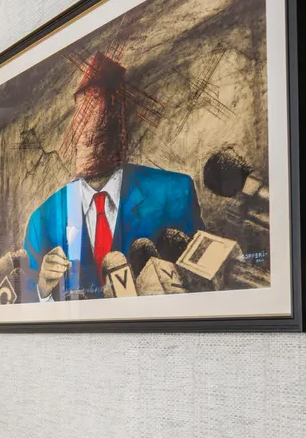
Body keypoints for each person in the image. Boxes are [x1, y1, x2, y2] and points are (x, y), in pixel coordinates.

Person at [21, 52, 203, 301]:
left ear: (121, 130)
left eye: (101, 122)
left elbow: (205, 282)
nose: (88, 134)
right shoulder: (43, 219)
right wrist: (43, 288)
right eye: (83, 121)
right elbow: (22, 302)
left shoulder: (174, 193)